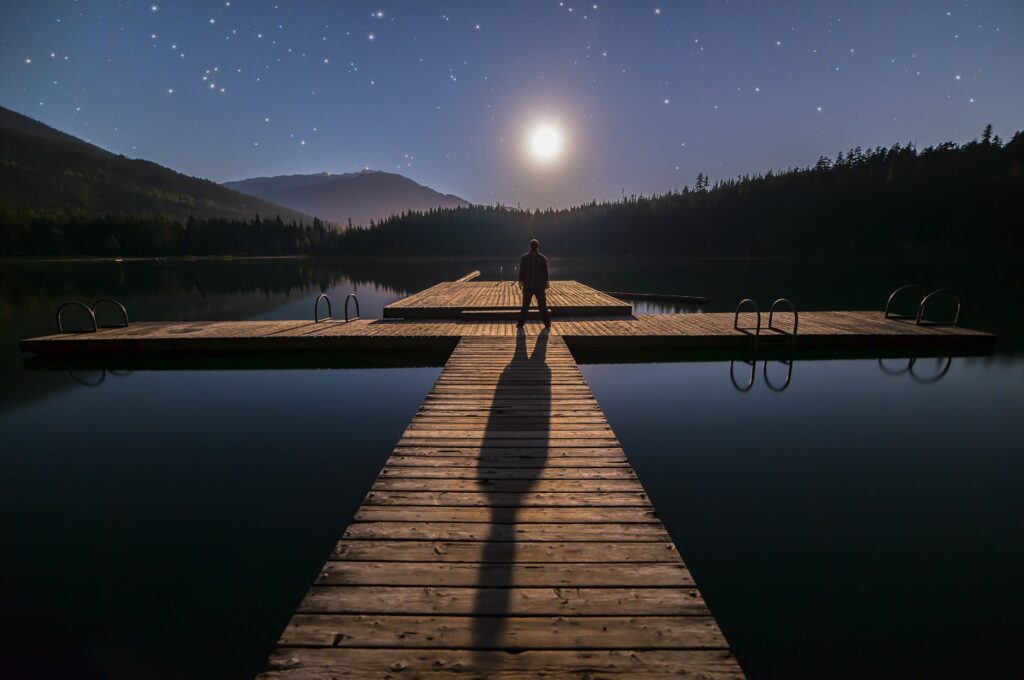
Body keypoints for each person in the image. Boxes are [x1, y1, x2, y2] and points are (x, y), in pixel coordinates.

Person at [516, 238, 550, 328]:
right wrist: (547, 282)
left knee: (525, 306)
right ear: (537, 247)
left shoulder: (524, 257)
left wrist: (520, 281)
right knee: (542, 306)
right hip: (539, 286)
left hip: (528, 285)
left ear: (530, 246)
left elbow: (522, 271)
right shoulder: (542, 258)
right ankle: (547, 323)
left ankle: (520, 324)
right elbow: (546, 272)